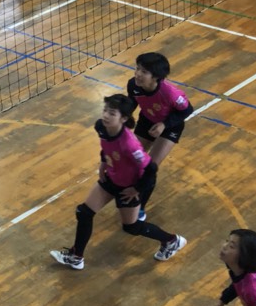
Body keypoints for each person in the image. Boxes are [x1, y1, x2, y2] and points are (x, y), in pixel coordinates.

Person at [49, 94, 186, 270]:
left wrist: (136, 189)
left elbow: (151, 169)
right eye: (105, 110)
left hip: (128, 187)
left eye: (112, 113)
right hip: (112, 178)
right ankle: (76, 257)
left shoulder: (130, 145)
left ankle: (171, 241)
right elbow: (106, 147)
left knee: (132, 227)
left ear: (124, 118)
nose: (106, 115)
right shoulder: (101, 127)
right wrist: (103, 165)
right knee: (84, 212)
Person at [126, 52, 193, 169]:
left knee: (150, 167)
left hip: (170, 126)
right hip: (147, 120)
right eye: (137, 68)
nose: (138, 74)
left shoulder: (170, 94)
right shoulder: (133, 84)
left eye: (144, 72)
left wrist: (164, 124)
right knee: (131, 161)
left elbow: (187, 110)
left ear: (156, 77)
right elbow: (133, 101)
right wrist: (124, 116)